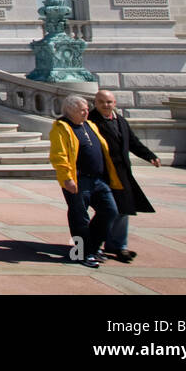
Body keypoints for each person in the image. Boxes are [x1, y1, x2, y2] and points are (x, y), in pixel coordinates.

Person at [48, 94, 122, 268]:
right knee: (79, 218)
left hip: (98, 180)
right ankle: (82, 253)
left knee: (110, 211)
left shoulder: (89, 125)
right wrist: (66, 178)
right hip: (78, 180)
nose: (87, 112)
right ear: (71, 110)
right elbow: (59, 155)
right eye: (83, 110)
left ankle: (93, 247)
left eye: (87, 109)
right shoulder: (62, 127)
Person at [90, 89, 159, 263]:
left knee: (123, 210)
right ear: (95, 103)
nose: (106, 105)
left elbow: (133, 142)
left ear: (114, 103)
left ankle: (118, 246)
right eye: (102, 102)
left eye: (109, 102)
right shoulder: (90, 121)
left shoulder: (120, 121)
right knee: (107, 210)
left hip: (122, 173)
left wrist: (150, 156)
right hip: (102, 173)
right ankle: (94, 245)